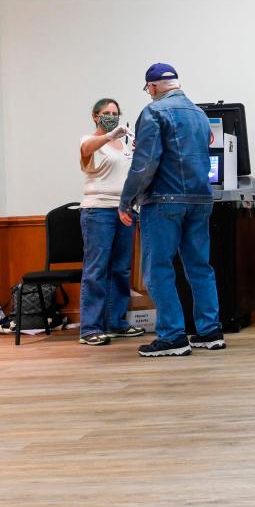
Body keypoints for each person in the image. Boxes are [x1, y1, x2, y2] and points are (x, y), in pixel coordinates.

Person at [119, 63, 224, 356]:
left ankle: (172, 336)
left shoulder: (153, 112)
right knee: (199, 266)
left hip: (164, 200)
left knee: (158, 269)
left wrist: (126, 199)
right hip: (201, 200)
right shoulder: (201, 115)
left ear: (152, 86)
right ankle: (209, 332)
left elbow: (145, 164)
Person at [77, 98, 146, 346]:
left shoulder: (124, 143)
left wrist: (140, 151)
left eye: (115, 113)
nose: (111, 116)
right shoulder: (90, 140)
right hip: (98, 211)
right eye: (106, 113)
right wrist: (109, 136)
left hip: (125, 210)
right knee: (97, 269)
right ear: (95, 116)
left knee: (121, 269)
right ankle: (90, 328)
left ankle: (116, 323)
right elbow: (87, 151)